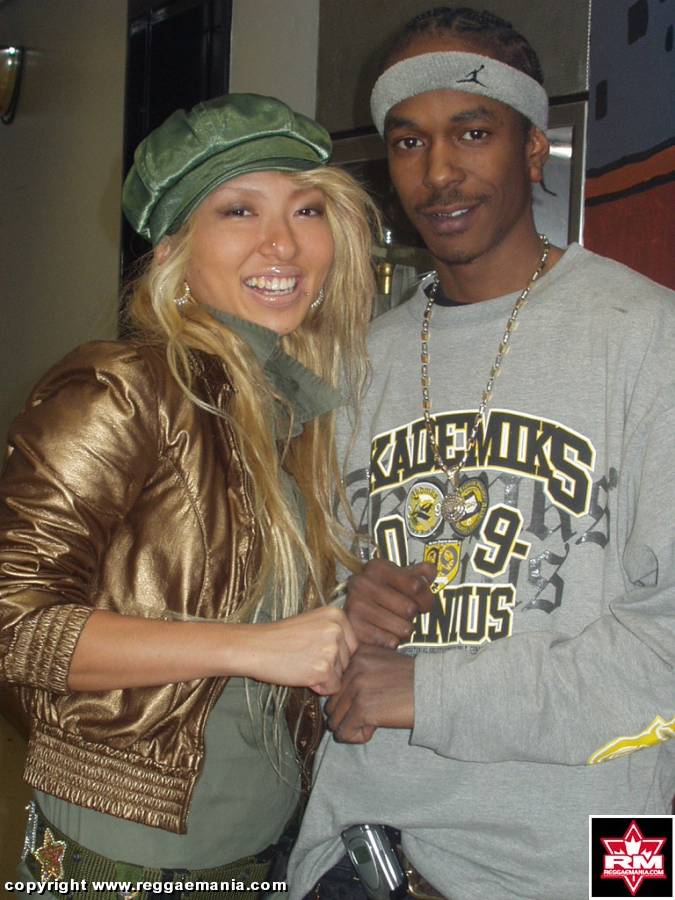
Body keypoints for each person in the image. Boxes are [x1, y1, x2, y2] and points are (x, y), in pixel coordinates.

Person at [283, 8, 675, 899]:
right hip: (362, 849)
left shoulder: (645, 337)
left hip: (574, 862)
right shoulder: (356, 362)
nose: (438, 173)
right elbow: (296, 614)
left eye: (471, 132)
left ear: (533, 149)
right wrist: (342, 607)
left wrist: (429, 693)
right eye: (409, 142)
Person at [0, 93, 380, 899]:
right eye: (239, 210)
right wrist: (250, 646)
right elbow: (13, 627)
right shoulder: (125, 389)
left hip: (263, 840)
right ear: (174, 252)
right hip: (129, 855)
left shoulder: (293, 407)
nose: (283, 242)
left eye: (306, 209)